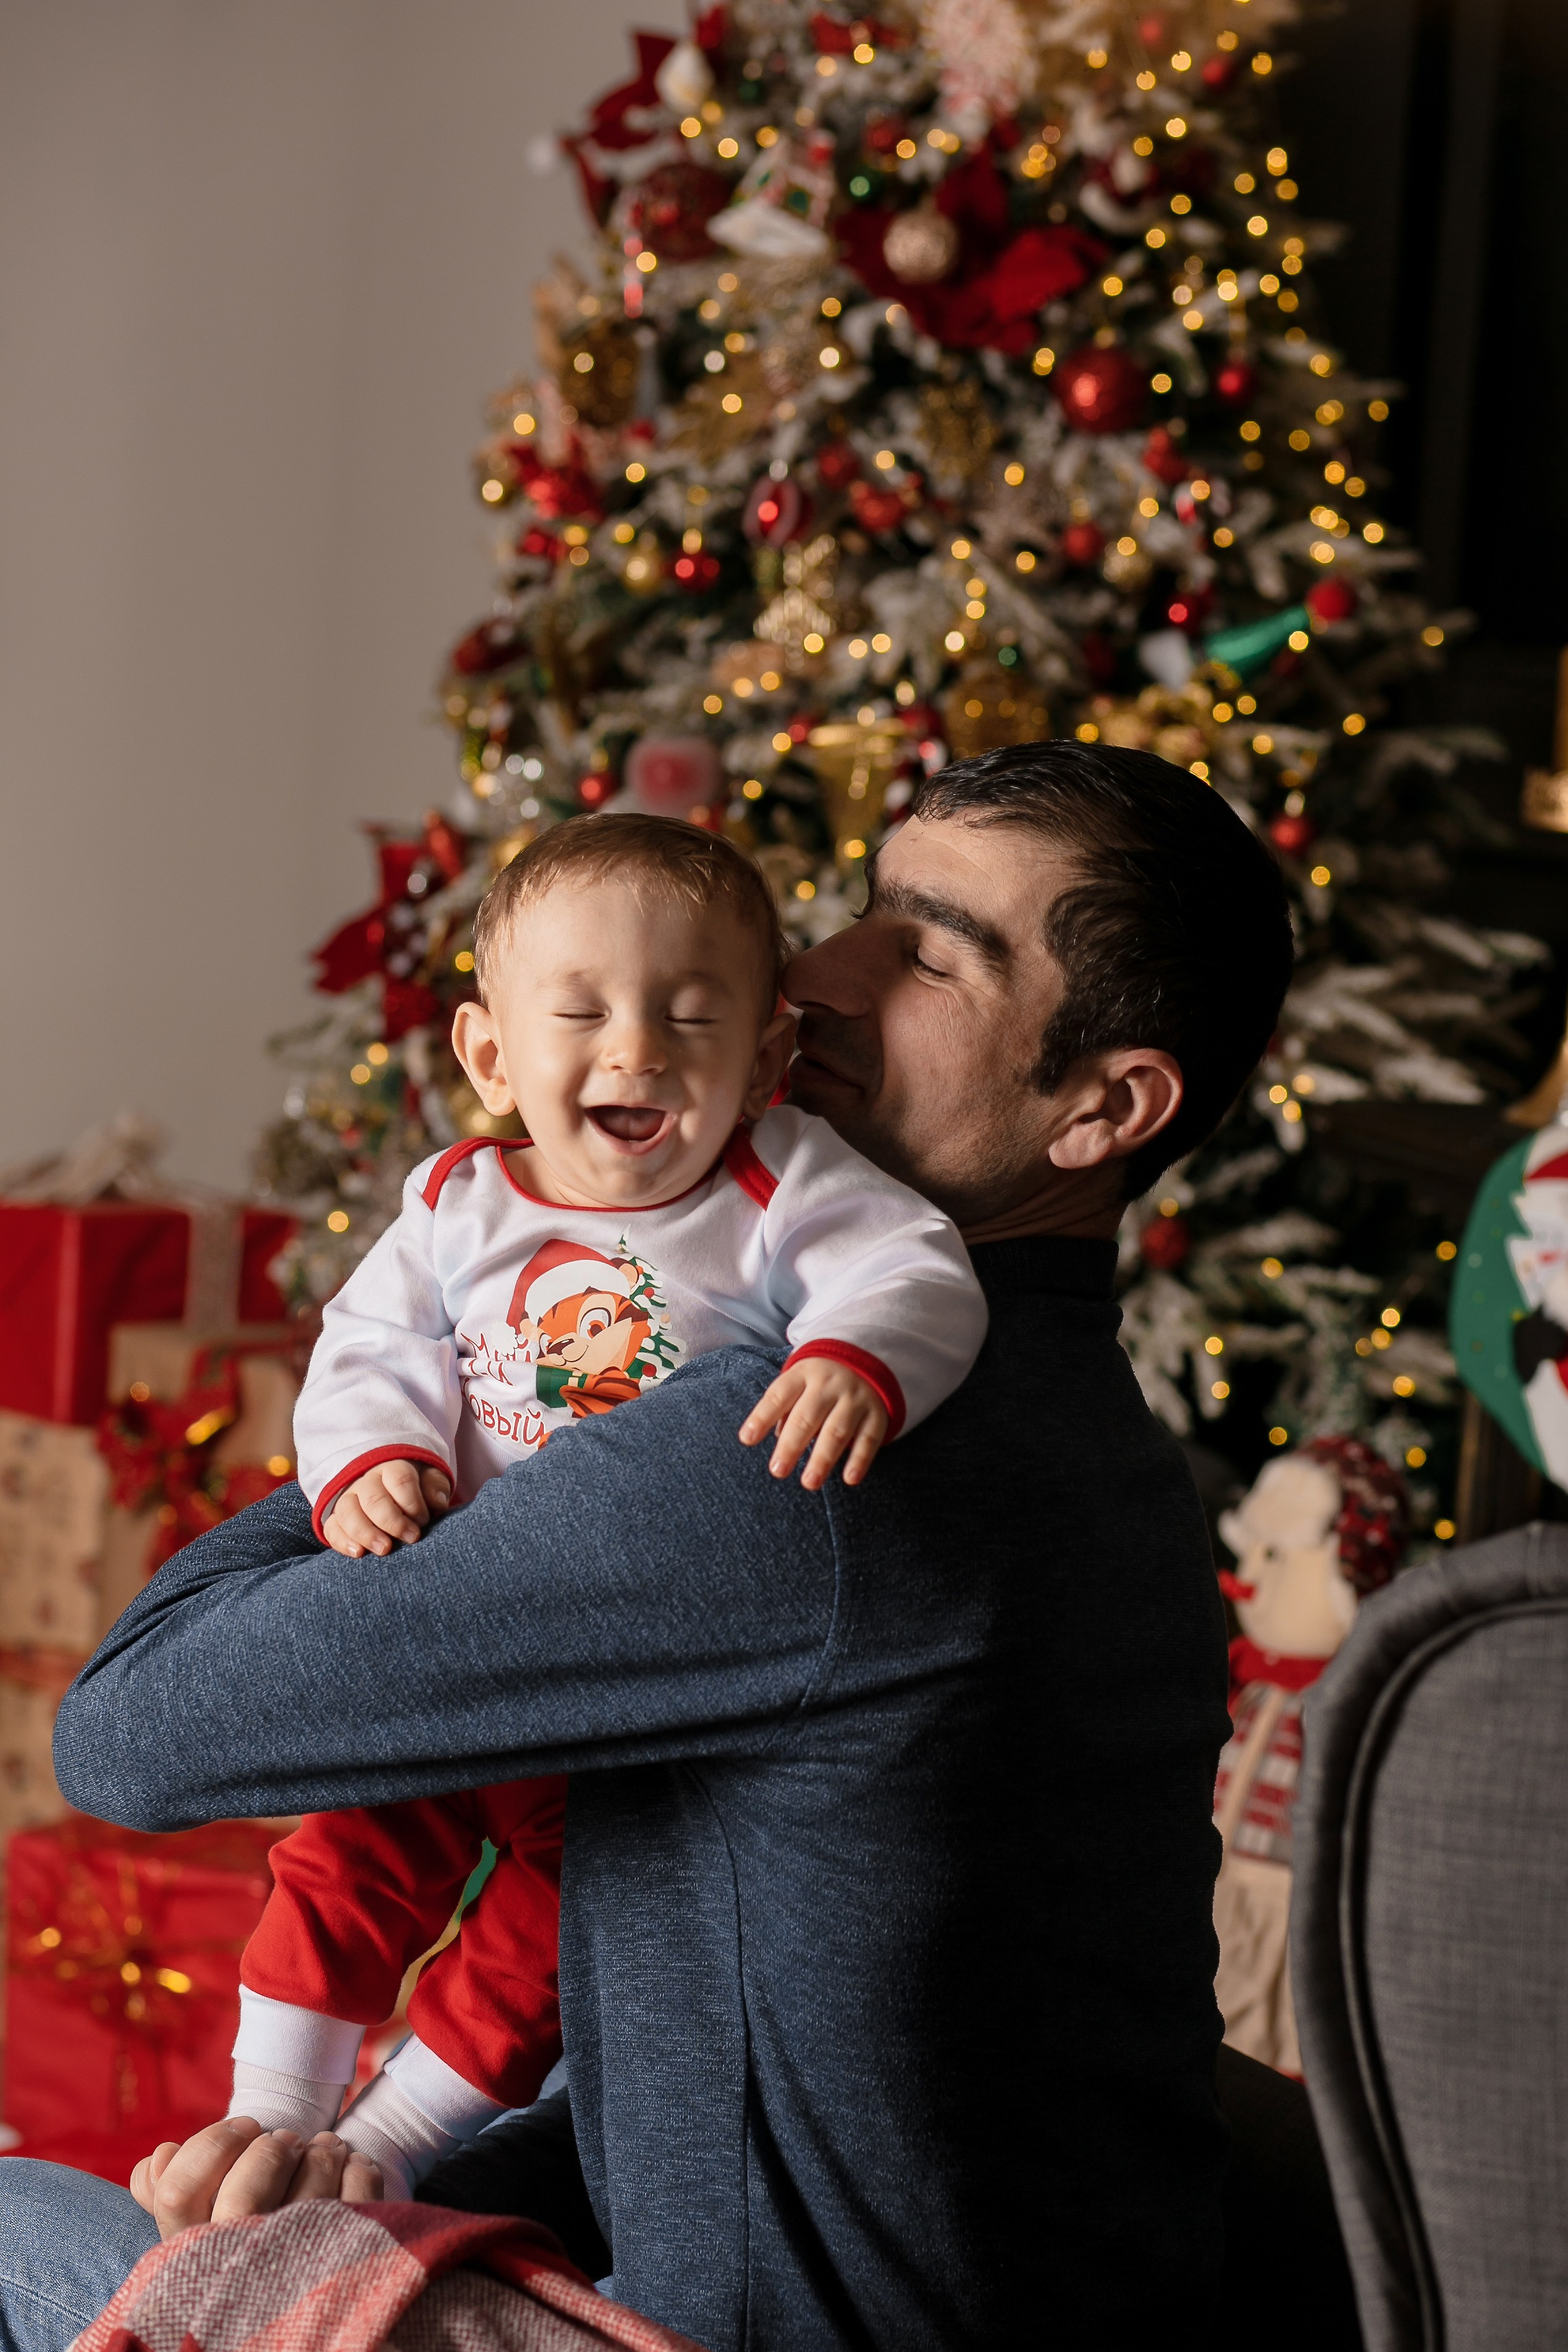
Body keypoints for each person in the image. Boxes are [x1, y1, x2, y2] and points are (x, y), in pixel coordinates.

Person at [8, 740, 1294, 2352]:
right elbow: (785, 2081)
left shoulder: (819, 1450)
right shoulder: (1098, 1439)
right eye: (863, 913)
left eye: (924, 953)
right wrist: (393, 2173)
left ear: (1104, 1106)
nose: (813, 982)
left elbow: (132, 1725)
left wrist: (478, 1405)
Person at [224, 813, 985, 2198]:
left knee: (557, 1932)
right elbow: (365, 1344)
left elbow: (918, 1270)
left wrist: (848, 1354)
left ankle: (384, 2143)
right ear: (491, 1053)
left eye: (690, 1018)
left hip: (634, 1701)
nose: (634, 1050)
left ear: (762, 1061)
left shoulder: (774, 1188)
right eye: (579, 1012)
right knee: (352, 1848)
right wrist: (374, 1457)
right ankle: (270, 2100)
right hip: (455, 1637)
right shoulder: (457, 1203)